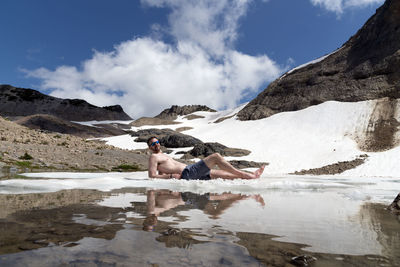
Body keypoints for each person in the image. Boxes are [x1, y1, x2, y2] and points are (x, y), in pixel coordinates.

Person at [147, 136, 265, 180]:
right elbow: (152, 175)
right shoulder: (154, 156)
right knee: (215, 157)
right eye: (153, 144)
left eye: (157, 142)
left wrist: (166, 177)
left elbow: (161, 171)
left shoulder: (163, 156)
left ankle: (250, 177)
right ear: (150, 147)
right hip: (188, 172)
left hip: (190, 171)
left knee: (220, 173)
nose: (156, 144)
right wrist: (171, 176)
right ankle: (246, 175)